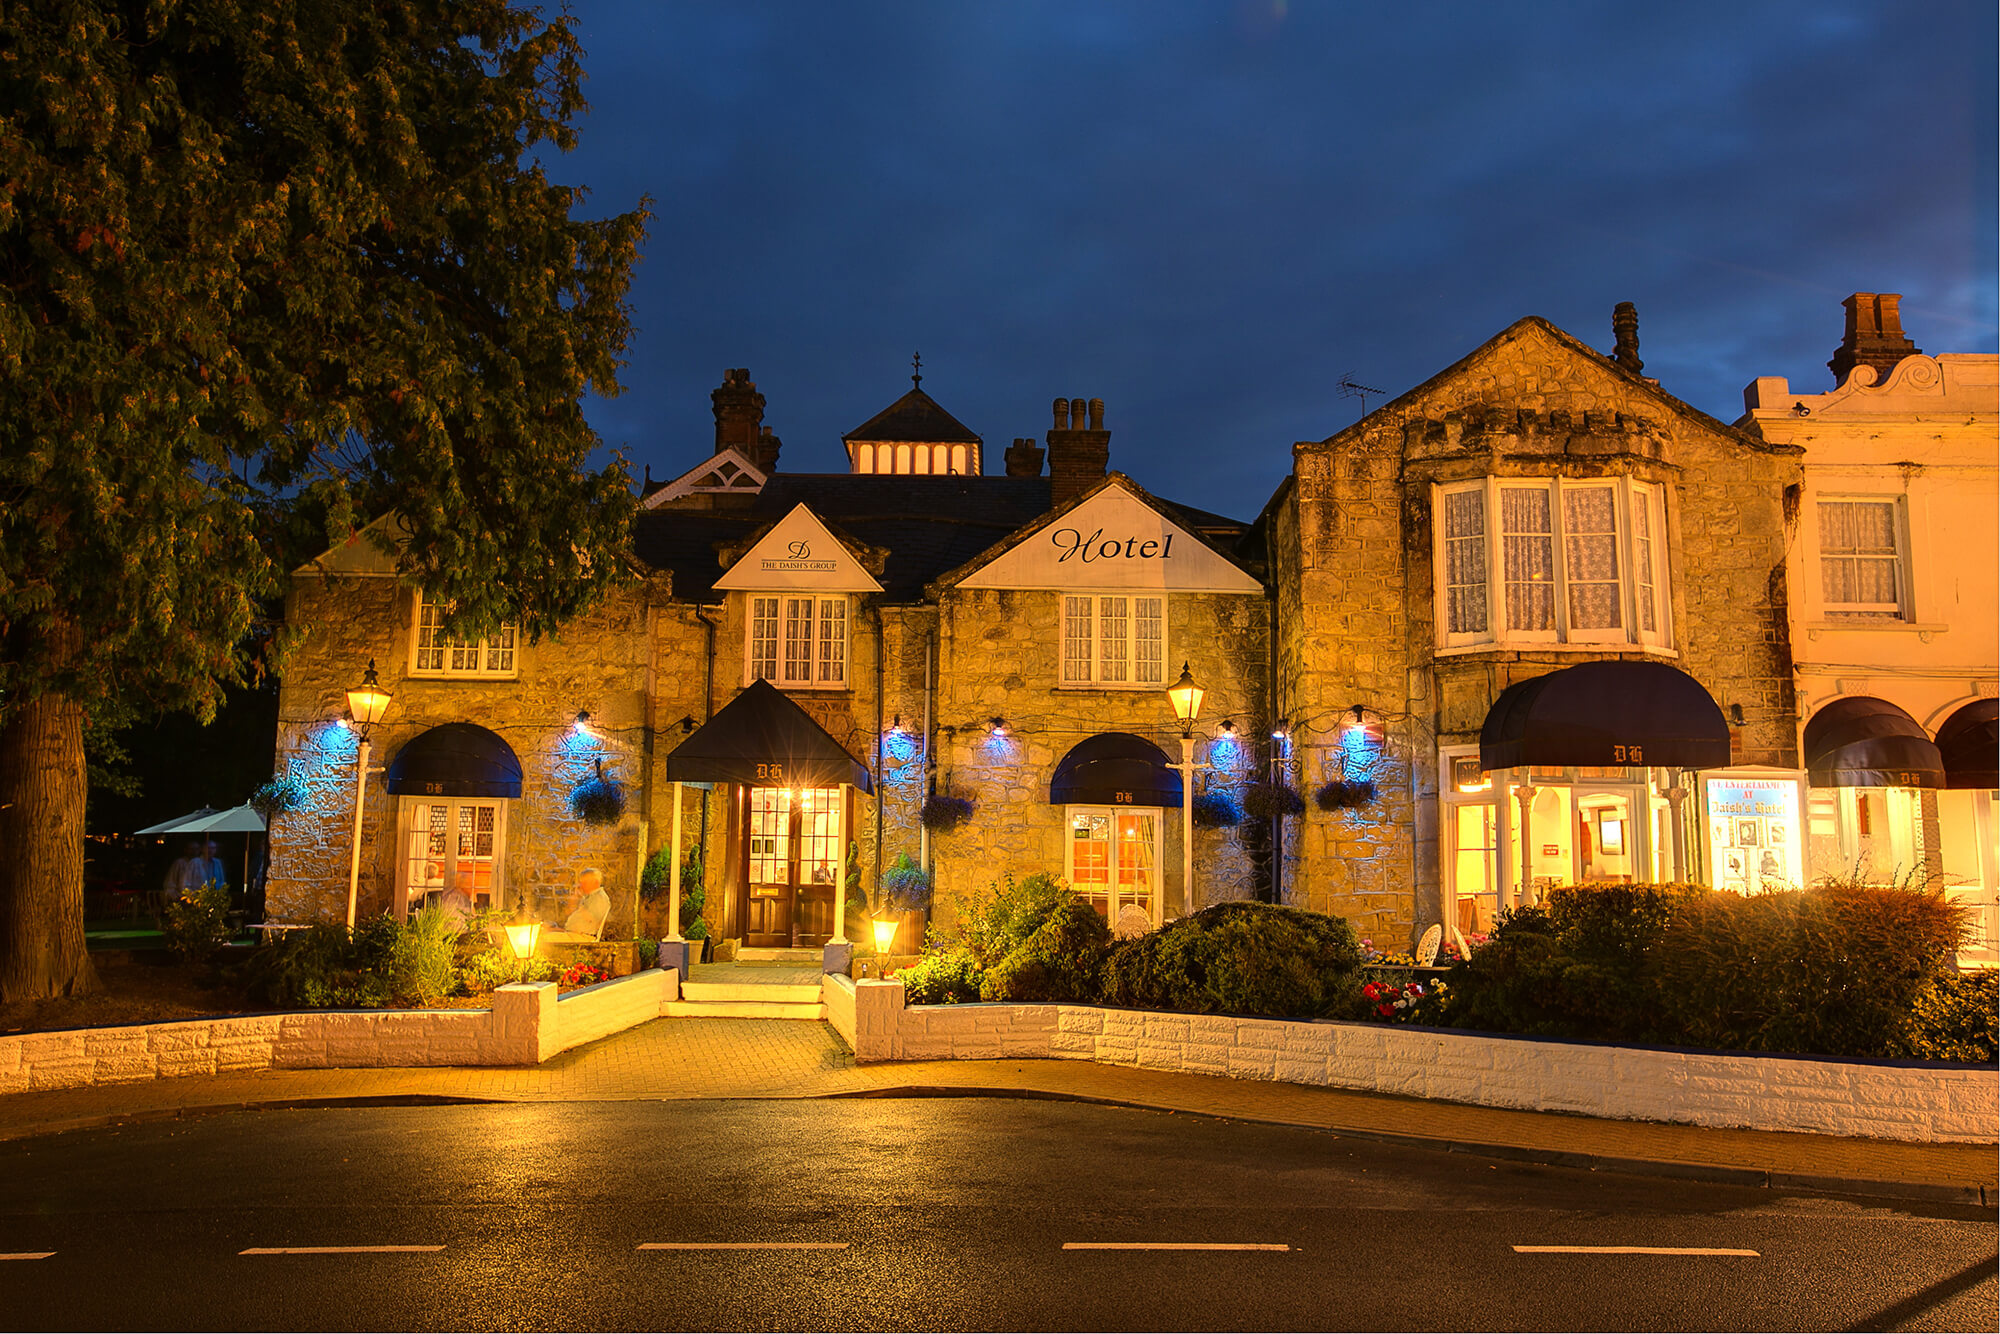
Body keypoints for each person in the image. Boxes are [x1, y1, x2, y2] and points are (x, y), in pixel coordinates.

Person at [549, 867, 610, 940]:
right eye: (581, 883)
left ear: (595, 882)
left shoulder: (599, 897)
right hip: (574, 934)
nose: (581, 886)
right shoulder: (588, 897)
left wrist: (576, 904)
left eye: (584, 882)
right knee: (543, 932)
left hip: (583, 937)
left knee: (542, 940)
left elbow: (592, 920)